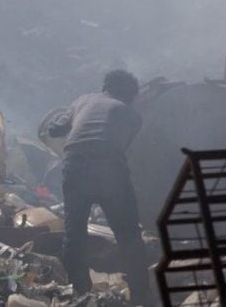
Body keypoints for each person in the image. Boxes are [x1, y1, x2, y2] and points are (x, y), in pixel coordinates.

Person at [47, 69, 150, 305]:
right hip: (109, 168)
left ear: (106, 86)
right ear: (129, 95)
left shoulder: (83, 101)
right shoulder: (132, 116)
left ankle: (80, 293)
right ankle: (141, 297)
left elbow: (54, 128)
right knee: (128, 234)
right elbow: (125, 149)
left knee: (75, 234)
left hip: (74, 164)